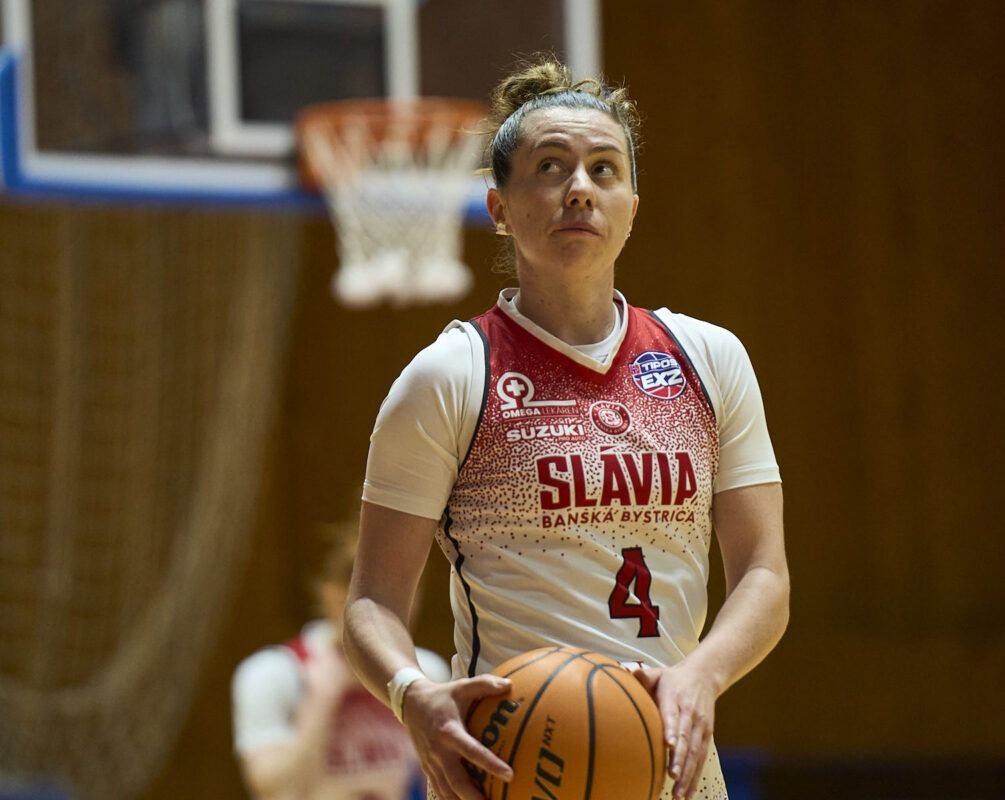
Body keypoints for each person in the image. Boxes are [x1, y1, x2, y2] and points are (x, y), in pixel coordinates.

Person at [342, 56, 790, 800]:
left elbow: (765, 574)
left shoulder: (710, 358)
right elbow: (371, 602)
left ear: (632, 207)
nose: (580, 187)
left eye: (604, 169)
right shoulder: (451, 376)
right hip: (515, 768)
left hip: (676, 768)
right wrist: (409, 692)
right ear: (499, 207)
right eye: (551, 167)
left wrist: (703, 675)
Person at [232, 525, 451, 800]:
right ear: (334, 596)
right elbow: (277, 792)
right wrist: (322, 699)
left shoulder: (427, 670)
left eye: (410, 590)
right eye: (386, 593)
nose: (404, 605)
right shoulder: (271, 673)